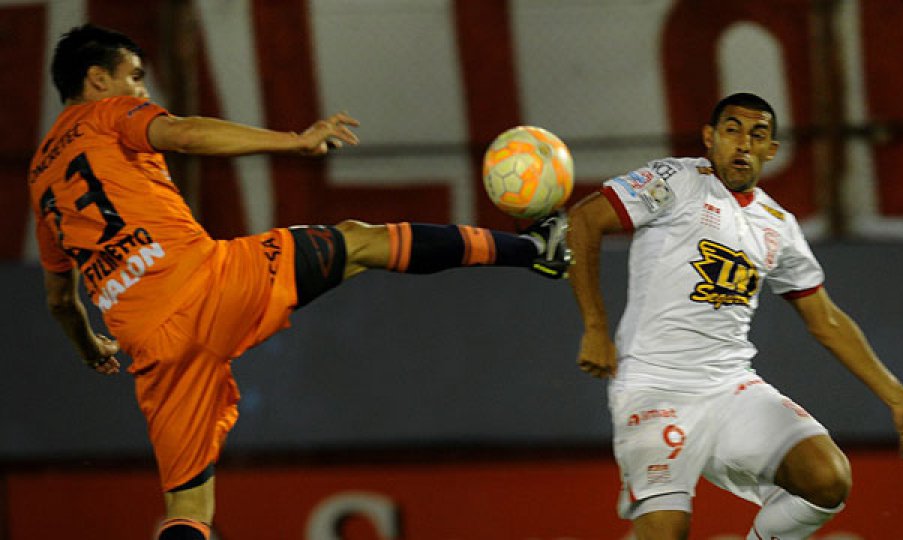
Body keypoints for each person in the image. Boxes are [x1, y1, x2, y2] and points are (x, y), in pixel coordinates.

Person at [30, 24, 569, 540]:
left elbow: (60, 300)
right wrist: (295, 142)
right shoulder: (109, 113)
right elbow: (186, 133)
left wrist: (89, 348)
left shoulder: (40, 179)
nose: (141, 89)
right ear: (99, 79)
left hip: (149, 344)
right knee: (359, 241)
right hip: (210, 284)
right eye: (135, 76)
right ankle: (534, 250)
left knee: (188, 506)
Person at [566, 92, 903, 539]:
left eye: (757, 134)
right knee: (666, 531)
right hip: (654, 387)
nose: (743, 143)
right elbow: (585, 220)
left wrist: (895, 395)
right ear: (710, 137)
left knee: (827, 479)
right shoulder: (675, 180)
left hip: (729, 387)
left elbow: (826, 320)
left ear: (771, 150)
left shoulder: (775, 223)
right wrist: (595, 327)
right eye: (732, 130)